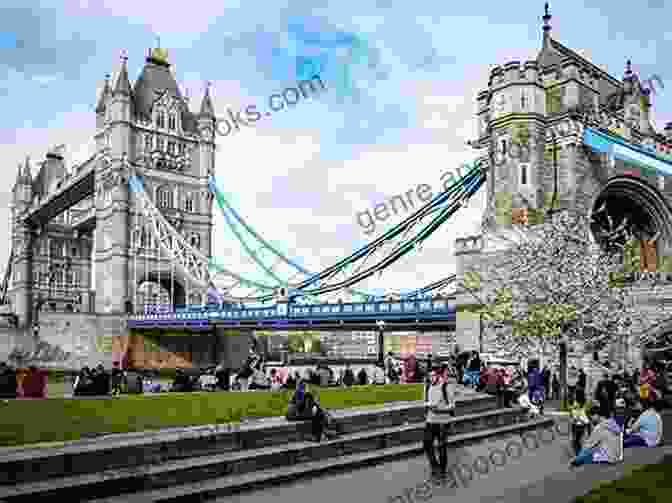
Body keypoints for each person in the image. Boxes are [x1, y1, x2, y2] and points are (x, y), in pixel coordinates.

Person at [424, 360, 456, 476]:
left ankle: (442, 470)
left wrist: (440, 409)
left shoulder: (446, 386)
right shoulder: (427, 386)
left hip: (443, 421)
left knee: (441, 446)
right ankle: (434, 465)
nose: (431, 378)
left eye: (433, 376)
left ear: (438, 375)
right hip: (430, 420)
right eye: (429, 376)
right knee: (427, 445)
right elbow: (426, 401)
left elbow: (452, 406)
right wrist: (427, 407)